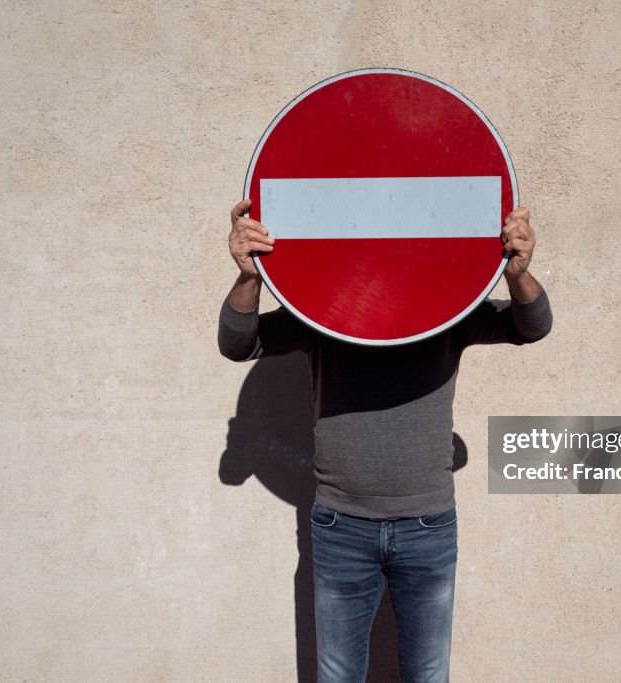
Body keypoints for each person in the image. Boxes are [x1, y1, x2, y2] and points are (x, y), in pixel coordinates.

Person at [219, 198, 552, 682]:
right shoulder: (323, 311)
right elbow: (238, 342)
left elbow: (531, 325)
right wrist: (249, 278)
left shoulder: (445, 311)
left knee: (428, 675)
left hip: (429, 526)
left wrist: (518, 273)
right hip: (341, 528)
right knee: (338, 676)